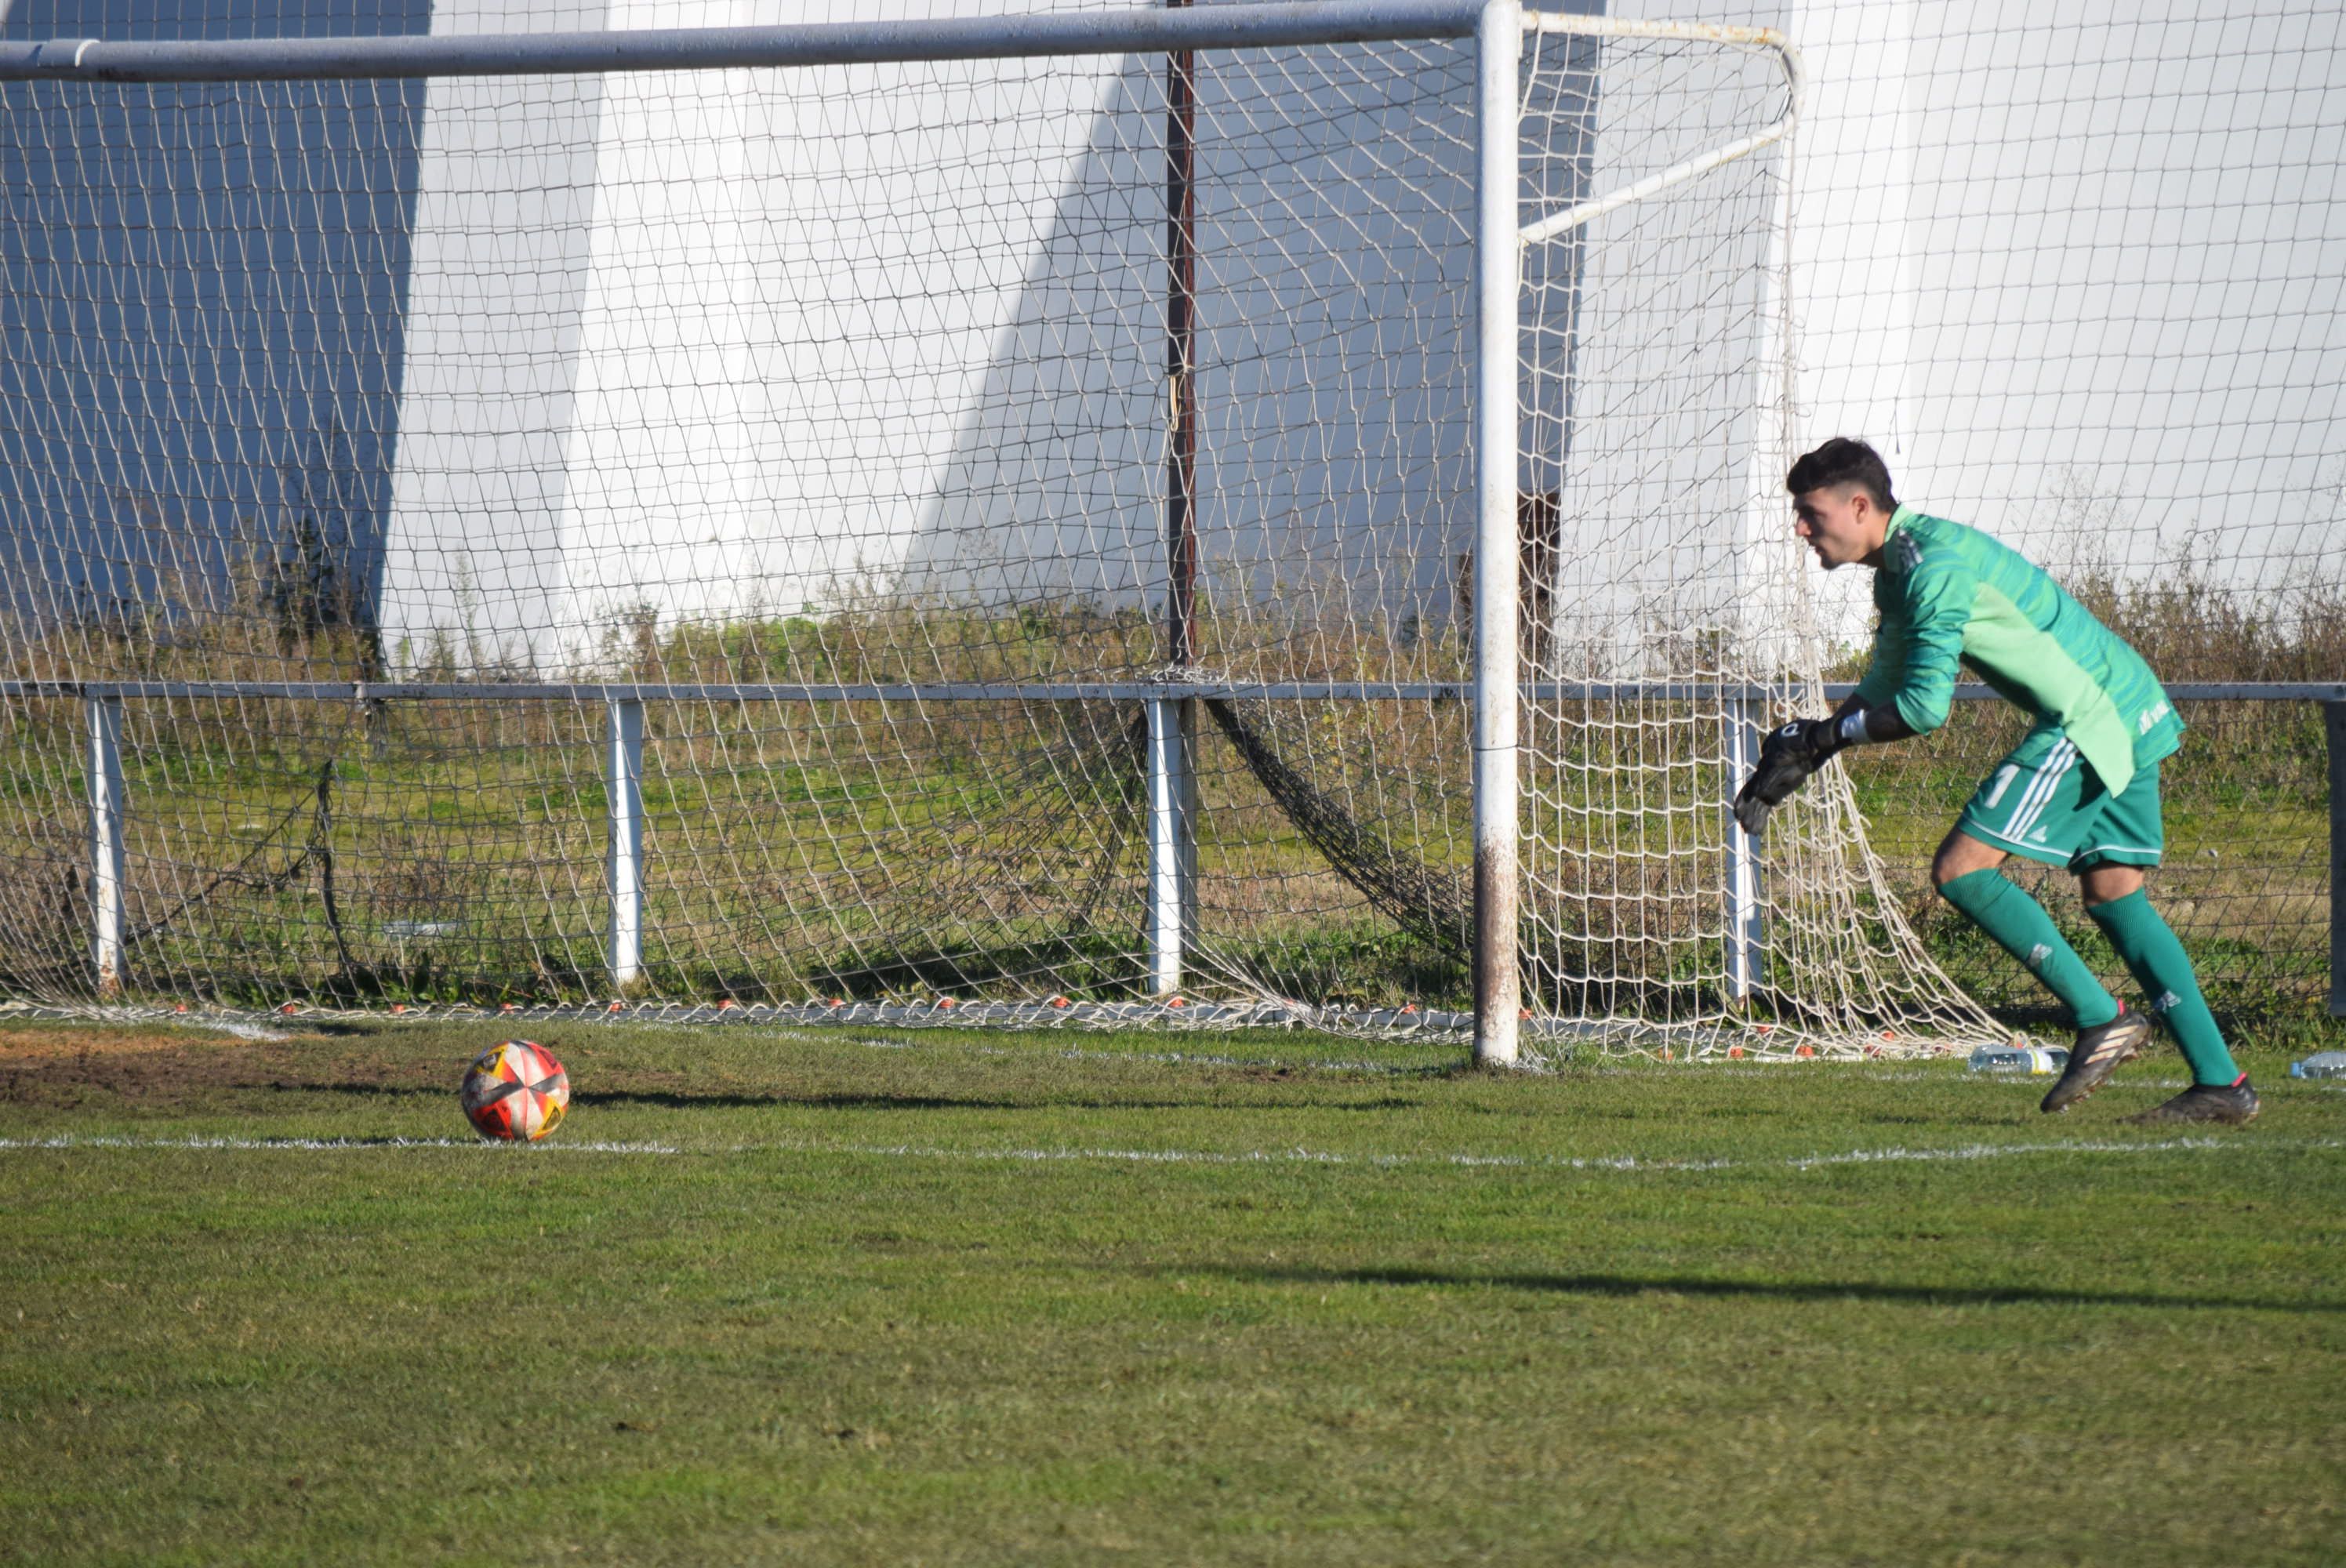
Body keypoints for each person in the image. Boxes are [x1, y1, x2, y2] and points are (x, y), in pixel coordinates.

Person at [1734, 437, 2257, 1124]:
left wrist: (1828, 736)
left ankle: (2102, 1018)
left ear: (1858, 506)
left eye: (1809, 512)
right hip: (2127, 703)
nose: (1801, 529)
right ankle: (2222, 1082)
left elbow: (1923, 709)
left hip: (2091, 715)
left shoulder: (1932, 569)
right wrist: (1817, 742)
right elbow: (1884, 687)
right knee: (2114, 897)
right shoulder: (1900, 567)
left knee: (1962, 871)